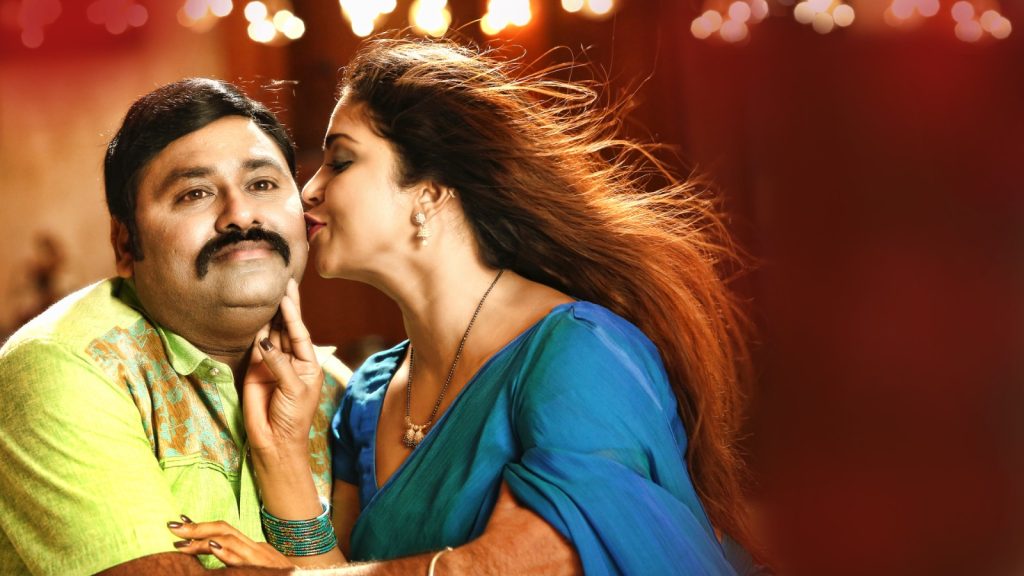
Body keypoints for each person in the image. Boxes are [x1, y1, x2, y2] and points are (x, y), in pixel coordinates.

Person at [171, 38, 765, 575]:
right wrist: (280, 453)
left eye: (342, 161)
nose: (310, 189)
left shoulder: (576, 352)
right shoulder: (371, 395)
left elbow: (542, 561)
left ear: (430, 191)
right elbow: (339, 570)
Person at [0, 78, 349, 575]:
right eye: (194, 194)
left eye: (262, 185)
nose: (241, 214)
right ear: (126, 244)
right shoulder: (70, 366)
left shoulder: (336, 391)